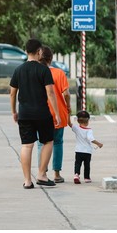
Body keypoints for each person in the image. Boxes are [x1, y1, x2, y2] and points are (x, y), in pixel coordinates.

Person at [10, 39, 61, 189]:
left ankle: (27, 181)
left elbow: (12, 94)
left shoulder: (18, 70)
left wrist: (14, 111)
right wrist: (57, 113)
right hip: (42, 114)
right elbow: (50, 92)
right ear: (39, 52)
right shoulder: (44, 70)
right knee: (48, 141)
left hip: (24, 114)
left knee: (26, 146)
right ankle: (41, 175)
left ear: (26, 51)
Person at [37, 45, 71, 183]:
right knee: (57, 143)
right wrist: (68, 107)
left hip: (41, 113)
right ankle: (57, 174)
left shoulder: (36, 72)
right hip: (59, 113)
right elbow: (66, 94)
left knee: (41, 143)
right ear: (51, 58)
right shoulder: (59, 73)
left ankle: (41, 172)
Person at [68, 110, 103, 184]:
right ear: (88, 121)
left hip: (78, 150)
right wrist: (99, 144)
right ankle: (87, 178)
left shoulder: (76, 128)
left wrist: (68, 114)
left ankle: (76, 175)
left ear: (77, 120)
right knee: (87, 165)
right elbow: (91, 139)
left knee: (77, 163)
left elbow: (69, 124)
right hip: (87, 151)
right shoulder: (89, 130)